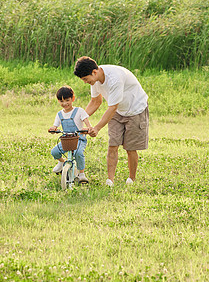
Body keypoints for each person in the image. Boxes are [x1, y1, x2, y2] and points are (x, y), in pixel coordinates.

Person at [74, 56, 149, 187]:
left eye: (86, 79)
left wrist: (96, 128)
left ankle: (131, 179)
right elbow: (96, 101)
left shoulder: (114, 78)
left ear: (94, 72)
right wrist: (80, 119)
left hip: (135, 109)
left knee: (130, 148)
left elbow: (112, 107)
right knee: (112, 144)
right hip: (117, 111)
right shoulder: (95, 80)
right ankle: (110, 181)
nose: (86, 82)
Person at [48, 86, 92, 183]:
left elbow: (86, 121)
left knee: (78, 153)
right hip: (66, 139)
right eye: (61, 101)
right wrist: (53, 129)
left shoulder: (79, 111)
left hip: (78, 139)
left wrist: (88, 127)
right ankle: (61, 162)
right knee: (55, 151)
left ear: (73, 99)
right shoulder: (60, 114)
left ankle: (81, 174)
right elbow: (55, 125)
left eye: (67, 100)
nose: (65, 103)